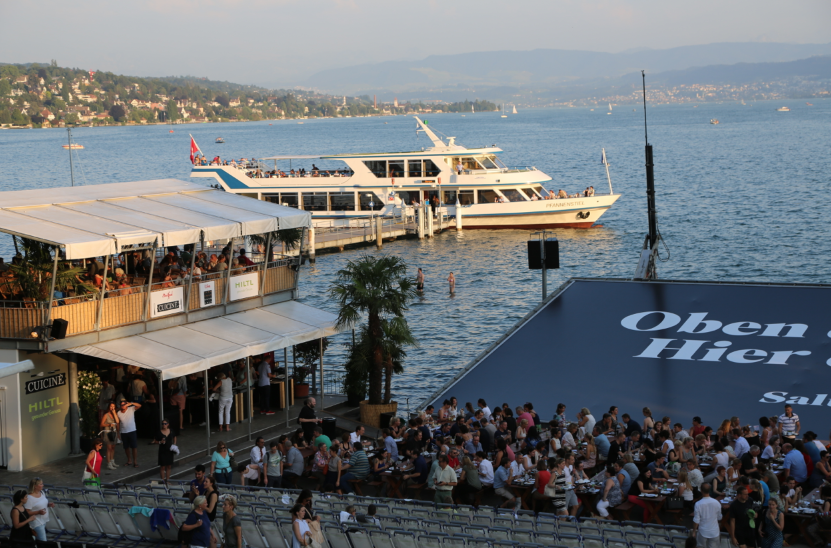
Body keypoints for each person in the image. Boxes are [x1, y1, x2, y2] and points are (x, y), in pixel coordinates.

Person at [693, 483, 723, 548]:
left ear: (701, 491)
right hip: (714, 532)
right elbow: (719, 517)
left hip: (703, 532)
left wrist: (693, 531)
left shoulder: (698, 504)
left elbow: (696, 521)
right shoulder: (717, 503)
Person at [24, 478, 53, 542]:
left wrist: (48, 504)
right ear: (35, 486)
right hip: (37, 523)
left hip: (43, 521)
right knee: (43, 541)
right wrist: (38, 512)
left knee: (40, 541)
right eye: (41, 484)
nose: (43, 485)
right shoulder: (29, 498)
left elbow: (41, 504)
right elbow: (26, 512)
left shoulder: (42, 493)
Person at [117, 399, 141, 467]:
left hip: (132, 430)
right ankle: (129, 460)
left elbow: (139, 405)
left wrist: (131, 403)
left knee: (134, 447)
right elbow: (118, 423)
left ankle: (135, 462)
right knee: (126, 447)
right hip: (123, 432)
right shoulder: (118, 412)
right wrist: (118, 432)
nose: (122, 406)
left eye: (124, 404)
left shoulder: (131, 409)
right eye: (121, 405)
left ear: (126, 404)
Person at [100, 401, 120, 470]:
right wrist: (109, 424)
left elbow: (117, 422)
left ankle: (112, 461)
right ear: (109, 407)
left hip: (114, 433)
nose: (112, 408)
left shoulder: (115, 414)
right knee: (109, 448)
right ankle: (108, 463)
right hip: (108, 433)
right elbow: (101, 424)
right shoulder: (106, 415)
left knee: (113, 447)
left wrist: (114, 413)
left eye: (113, 407)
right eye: (111, 406)